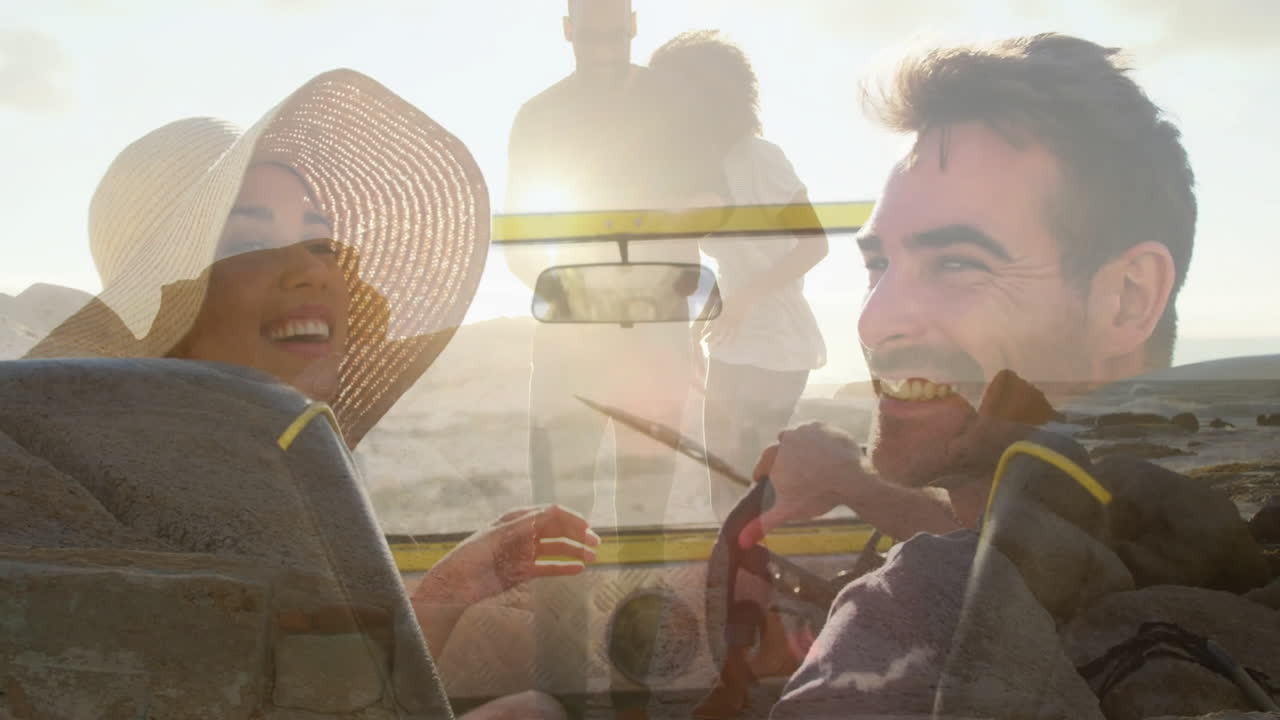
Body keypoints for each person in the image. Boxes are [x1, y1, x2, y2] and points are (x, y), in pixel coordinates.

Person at [27, 68, 600, 720]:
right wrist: (447, 589)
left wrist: (452, 588)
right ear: (166, 310)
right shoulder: (157, 506)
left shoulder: (251, 464)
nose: (311, 267)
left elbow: (317, 693)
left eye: (322, 240)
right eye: (251, 239)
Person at [730, 33, 1197, 717]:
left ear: (1127, 296)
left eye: (956, 263)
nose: (874, 321)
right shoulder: (1189, 547)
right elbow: (1032, 545)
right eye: (877, 265)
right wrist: (851, 481)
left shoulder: (910, 614)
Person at [503, 2, 701, 717]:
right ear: (567, 30)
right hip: (573, 349)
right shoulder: (539, 115)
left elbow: (697, 218)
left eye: (613, 27)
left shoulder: (674, 106)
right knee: (560, 527)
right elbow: (521, 234)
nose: (603, 41)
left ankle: (633, 698)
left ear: (633, 25)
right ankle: (561, 700)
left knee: (642, 527)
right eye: (591, 28)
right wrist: (567, 300)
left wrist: (675, 315)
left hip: (650, 343)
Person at [645, 30, 830, 520]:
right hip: (728, 334)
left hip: (779, 338)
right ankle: (733, 588)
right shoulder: (692, 169)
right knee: (722, 483)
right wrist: (695, 326)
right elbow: (697, 262)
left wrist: (747, 296)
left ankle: (753, 585)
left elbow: (816, 244)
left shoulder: (762, 158)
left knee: (749, 484)